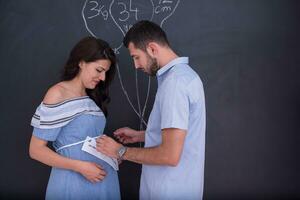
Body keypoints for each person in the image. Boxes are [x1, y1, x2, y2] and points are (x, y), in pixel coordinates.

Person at [96, 20, 206, 199]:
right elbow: (181, 136)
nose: (136, 65)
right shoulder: (185, 77)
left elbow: (169, 155)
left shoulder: (175, 84)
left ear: (152, 49)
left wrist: (120, 151)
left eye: (136, 57)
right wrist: (142, 135)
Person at [29, 36, 120, 200]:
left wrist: (111, 153)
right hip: (74, 182)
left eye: (106, 73)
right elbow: (36, 150)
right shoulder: (58, 93)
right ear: (81, 62)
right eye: (99, 70)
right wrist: (81, 167)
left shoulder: (91, 97)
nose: (103, 78)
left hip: (103, 181)